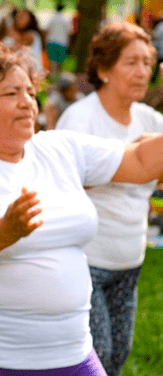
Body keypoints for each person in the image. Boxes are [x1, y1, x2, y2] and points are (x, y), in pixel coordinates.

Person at [0, 42, 163, 375]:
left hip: (72, 352)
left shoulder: (59, 147)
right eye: (11, 94)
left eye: (31, 92)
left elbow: (142, 162)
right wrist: (6, 230)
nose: (27, 103)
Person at [55, 22, 163, 376]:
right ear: (103, 69)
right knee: (96, 355)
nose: (142, 72)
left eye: (147, 63)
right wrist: (131, 158)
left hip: (130, 260)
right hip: (87, 260)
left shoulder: (150, 120)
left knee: (118, 356)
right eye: (131, 62)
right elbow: (59, 182)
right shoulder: (80, 118)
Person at [45, 2, 70, 77]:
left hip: (52, 42)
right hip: (62, 43)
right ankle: (59, 82)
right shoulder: (66, 19)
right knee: (60, 64)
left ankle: (53, 81)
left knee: (52, 64)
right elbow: (69, 32)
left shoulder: (52, 18)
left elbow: (47, 30)